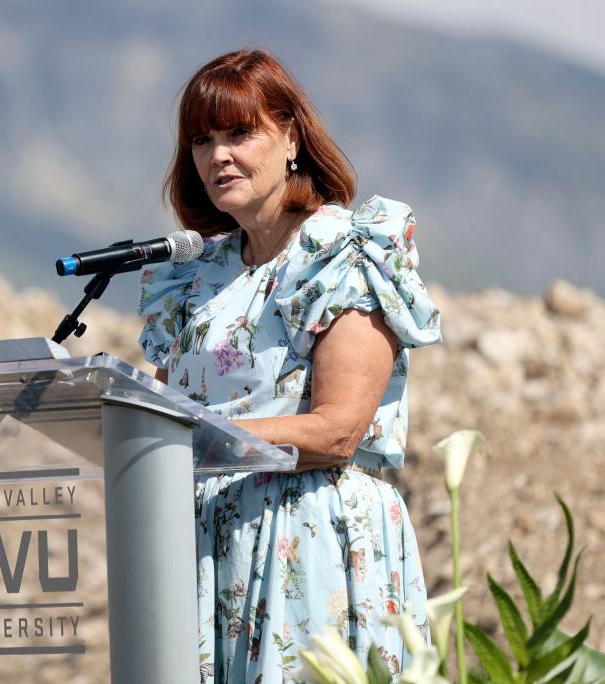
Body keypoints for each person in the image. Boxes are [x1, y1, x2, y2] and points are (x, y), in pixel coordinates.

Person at [137, 49, 442, 683]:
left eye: (239, 133)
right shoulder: (191, 279)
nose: (218, 155)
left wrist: (195, 437)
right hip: (203, 548)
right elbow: (160, 416)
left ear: (292, 137)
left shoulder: (345, 251)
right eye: (202, 140)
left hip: (307, 540)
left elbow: (338, 432)